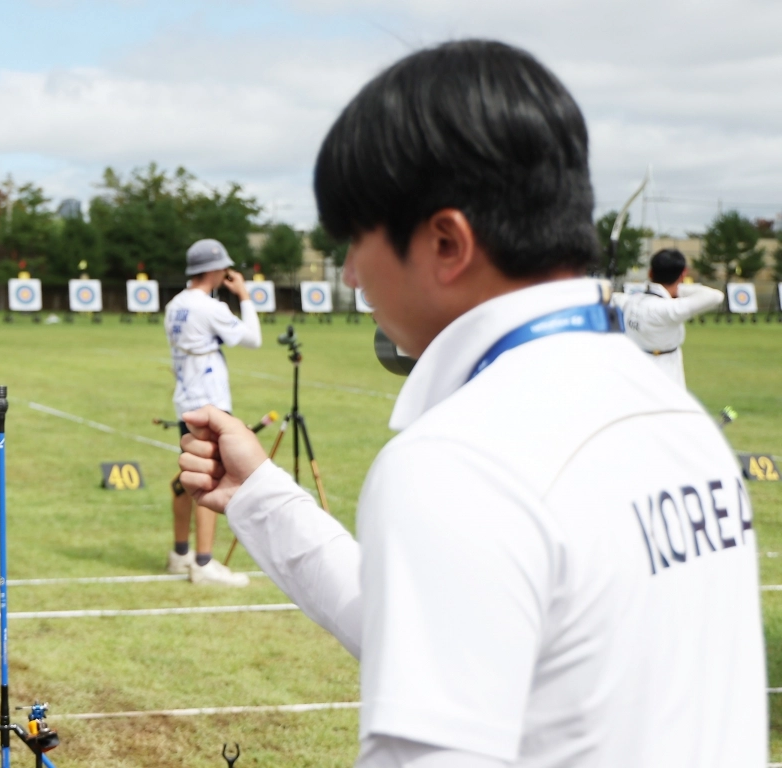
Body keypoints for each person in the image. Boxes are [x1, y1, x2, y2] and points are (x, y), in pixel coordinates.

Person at [178, 41, 765, 767]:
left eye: (357, 240)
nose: (352, 274)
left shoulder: (459, 461)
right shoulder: (677, 418)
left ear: (446, 241)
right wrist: (262, 497)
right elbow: (446, 633)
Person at [164, 238, 262, 586]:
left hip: (186, 399)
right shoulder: (210, 307)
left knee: (187, 476)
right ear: (215, 270)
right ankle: (203, 563)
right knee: (208, 479)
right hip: (210, 403)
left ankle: (180, 554)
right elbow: (253, 338)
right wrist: (244, 295)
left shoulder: (175, 304)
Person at [611, 248, 723, 389]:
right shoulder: (669, 308)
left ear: (650, 273)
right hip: (666, 374)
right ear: (683, 275)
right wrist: (678, 287)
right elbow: (716, 296)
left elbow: (609, 296)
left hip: (633, 372)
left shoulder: (628, 301)